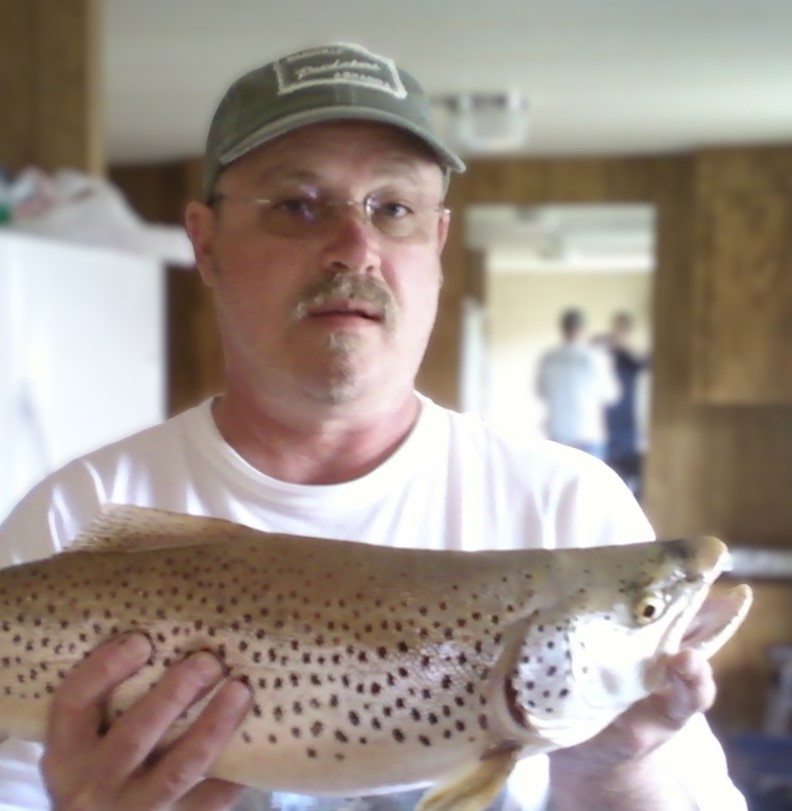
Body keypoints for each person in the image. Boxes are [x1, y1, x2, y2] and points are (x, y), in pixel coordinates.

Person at [0, 42, 746, 811]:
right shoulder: (71, 516)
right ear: (208, 242)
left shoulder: (570, 505)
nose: (355, 248)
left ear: (438, 244)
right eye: (298, 206)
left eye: (393, 209)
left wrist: (613, 769)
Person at [535, 307, 620, 459]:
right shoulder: (596, 357)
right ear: (583, 329)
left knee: (558, 482)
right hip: (588, 434)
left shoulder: (548, 358)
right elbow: (611, 395)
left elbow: (541, 392)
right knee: (592, 482)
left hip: (558, 433)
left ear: (563, 328)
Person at [602, 311, 650, 500]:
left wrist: (623, 348)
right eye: (616, 328)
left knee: (632, 470)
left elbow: (645, 363)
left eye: (622, 329)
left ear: (627, 332)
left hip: (627, 422)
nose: (617, 333)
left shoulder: (629, 357)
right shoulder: (602, 353)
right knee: (607, 470)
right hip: (603, 423)